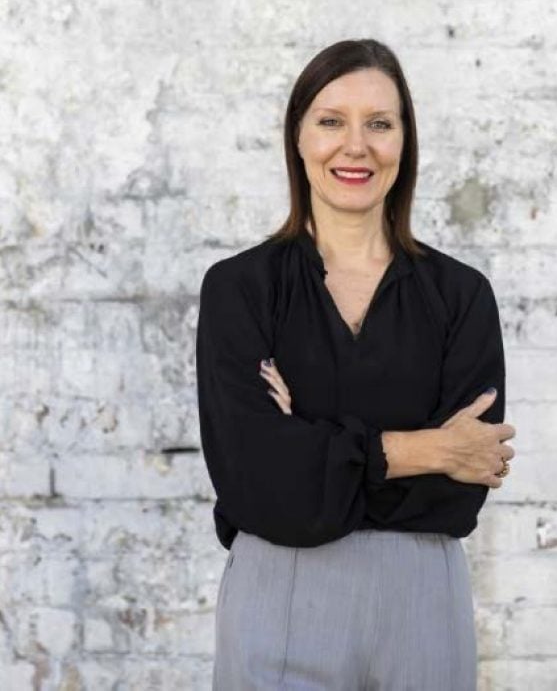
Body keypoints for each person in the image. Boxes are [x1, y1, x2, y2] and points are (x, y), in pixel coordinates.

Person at [196, 38, 517, 690]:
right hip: (278, 591)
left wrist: (311, 444)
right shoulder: (243, 290)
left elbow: (456, 495)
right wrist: (424, 446)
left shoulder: (460, 296)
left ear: (406, 141)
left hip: (422, 597)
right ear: (298, 138)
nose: (355, 145)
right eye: (331, 120)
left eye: (379, 123)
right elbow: (257, 481)